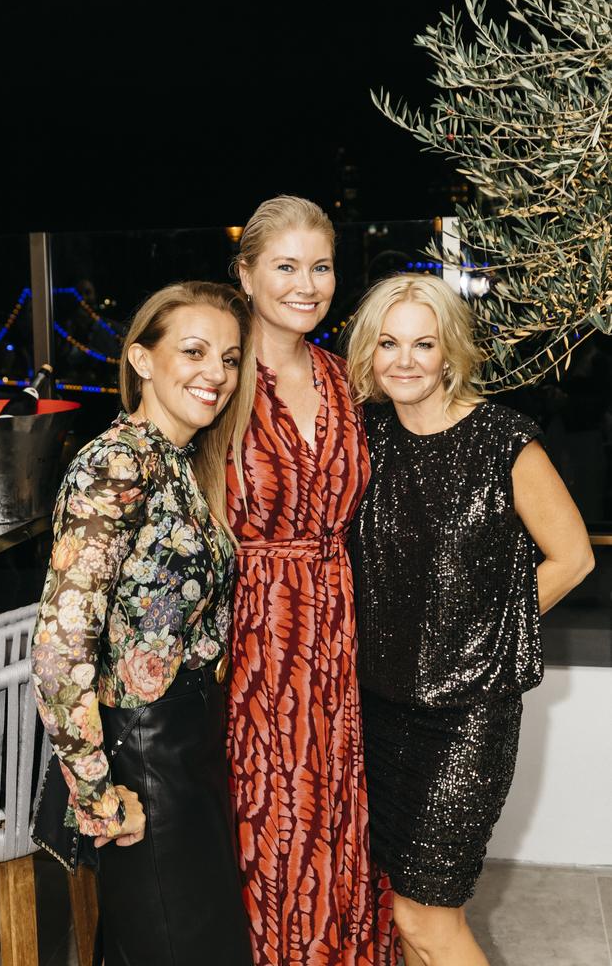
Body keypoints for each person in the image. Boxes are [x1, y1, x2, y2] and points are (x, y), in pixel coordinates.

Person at [345, 273, 594, 966]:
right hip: (380, 712)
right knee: (400, 913)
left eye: (423, 344)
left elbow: (573, 558)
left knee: (428, 921)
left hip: (467, 721)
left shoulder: (503, 441)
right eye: (389, 343)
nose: (405, 360)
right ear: (368, 355)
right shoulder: (366, 444)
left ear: (450, 352)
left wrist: (488, 637)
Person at [31, 282, 256, 966]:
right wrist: (97, 796)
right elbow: (58, 649)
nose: (214, 373)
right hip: (142, 754)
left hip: (186, 745)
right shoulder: (116, 463)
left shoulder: (178, 462)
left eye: (229, 356)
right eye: (192, 351)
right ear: (141, 359)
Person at [226, 195, 398, 965]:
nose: (306, 283)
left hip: (339, 629)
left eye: (320, 266)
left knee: (341, 815)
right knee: (271, 820)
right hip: (250, 639)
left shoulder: (344, 378)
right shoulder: (217, 380)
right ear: (246, 273)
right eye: (285, 266)